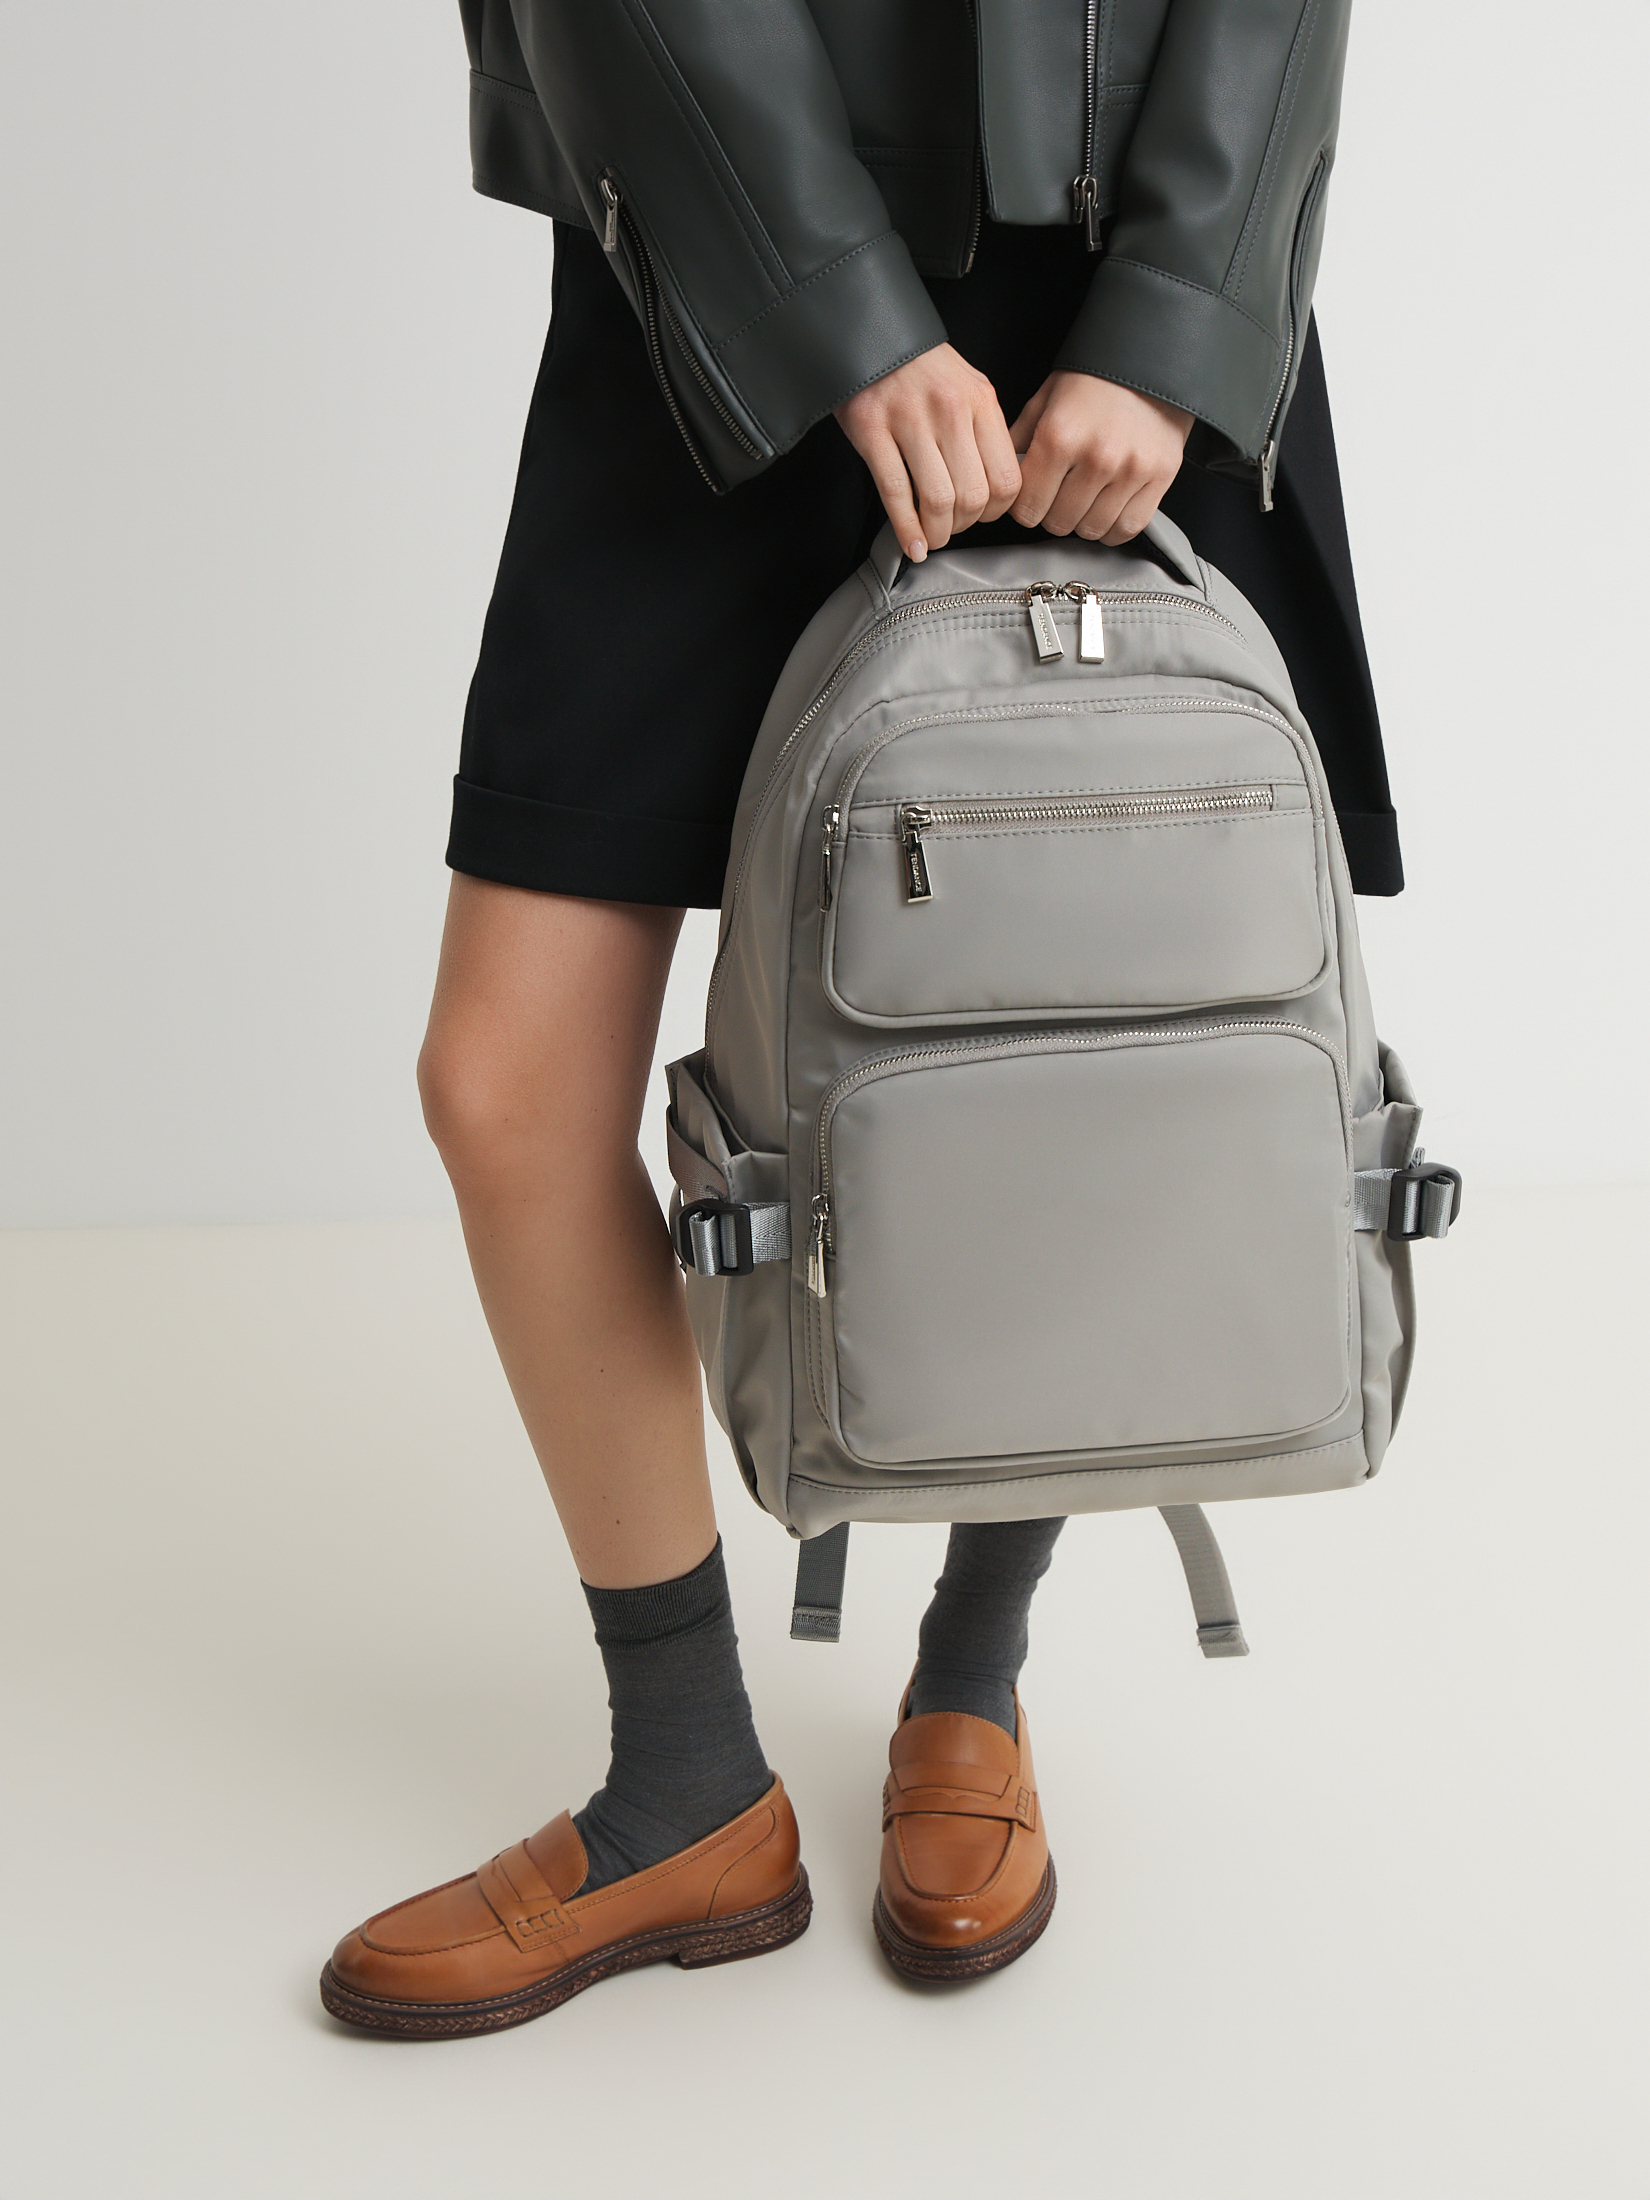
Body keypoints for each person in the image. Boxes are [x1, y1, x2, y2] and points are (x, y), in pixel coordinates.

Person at [321, 0, 1399, 2035]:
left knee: (1068, 1044)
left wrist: (1181, 311)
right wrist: (819, 294)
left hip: (1106, 293)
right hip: (706, 249)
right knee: (505, 1082)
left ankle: (972, 1676)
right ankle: (687, 1783)